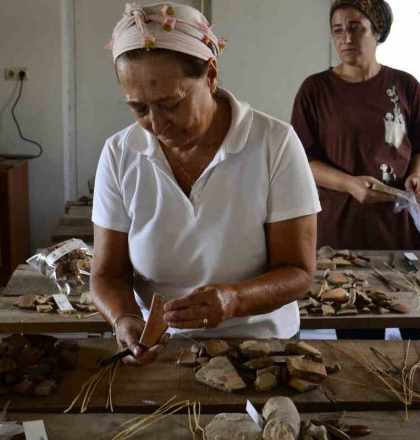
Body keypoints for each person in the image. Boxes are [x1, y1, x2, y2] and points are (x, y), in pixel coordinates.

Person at [92, 2, 321, 366]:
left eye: (170, 104)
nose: (157, 125)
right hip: (163, 349)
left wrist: (235, 300)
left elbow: (297, 271)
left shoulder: (274, 143)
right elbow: (107, 273)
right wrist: (124, 318)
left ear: (210, 75)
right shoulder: (120, 153)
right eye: (139, 108)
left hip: (260, 346)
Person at [291, 0, 420, 341]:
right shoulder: (315, 90)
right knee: (360, 330)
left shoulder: (405, 85)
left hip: (403, 222)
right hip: (345, 225)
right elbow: (303, 159)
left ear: (377, 31)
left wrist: (418, 175)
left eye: (356, 28)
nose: (346, 38)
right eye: (338, 30)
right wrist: (349, 184)